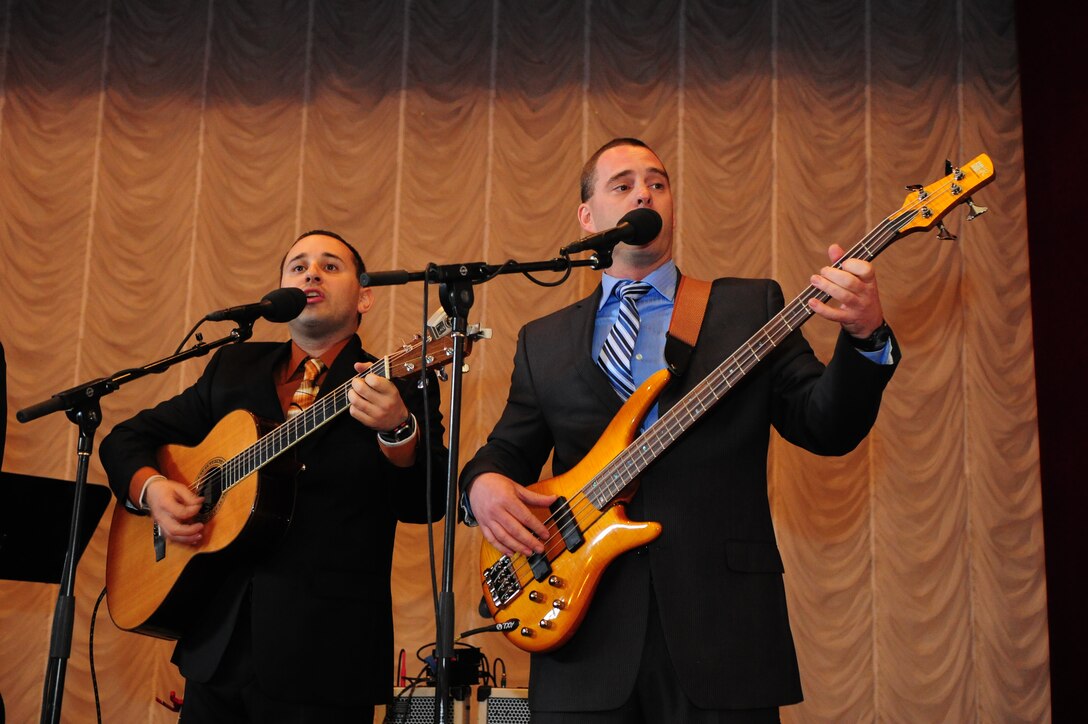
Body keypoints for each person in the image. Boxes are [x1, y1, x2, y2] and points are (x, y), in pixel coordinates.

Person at [459, 138, 899, 722]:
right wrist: (482, 485)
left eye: (657, 183)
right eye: (623, 185)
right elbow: (509, 449)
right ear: (588, 218)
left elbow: (825, 426)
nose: (645, 192)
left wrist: (865, 336)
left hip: (721, 632)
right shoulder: (544, 340)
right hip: (581, 637)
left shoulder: (747, 308)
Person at [100, 230, 447, 722]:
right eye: (298, 266)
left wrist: (397, 431)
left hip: (324, 658)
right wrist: (152, 489)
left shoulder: (400, 381)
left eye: (331, 266)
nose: (311, 273)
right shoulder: (233, 368)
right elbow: (125, 439)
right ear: (281, 293)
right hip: (216, 651)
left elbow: (425, 503)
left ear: (364, 297)